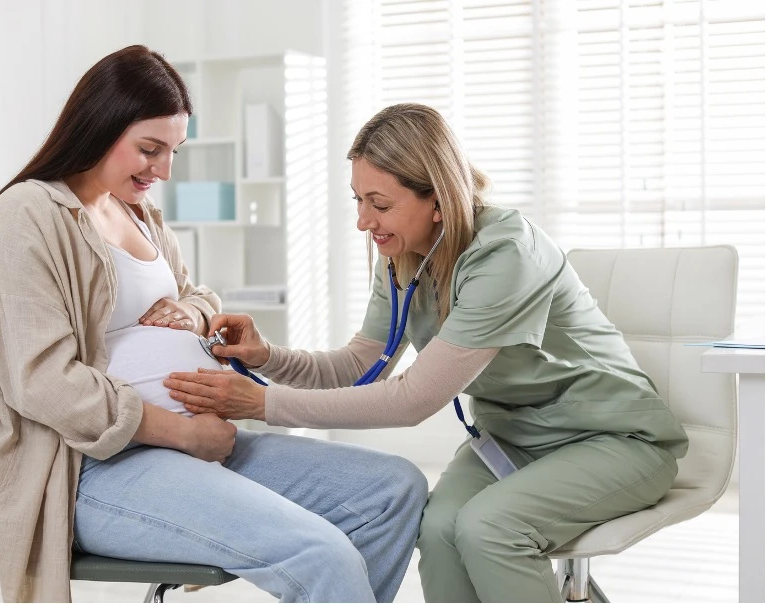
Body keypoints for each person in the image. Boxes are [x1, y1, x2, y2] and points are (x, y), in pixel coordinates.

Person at [165, 103, 689, 603]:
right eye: (358, 200)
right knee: (437, 529)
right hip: (515, 440)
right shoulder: (401, 259)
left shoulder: (506, 255)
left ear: (438, 199)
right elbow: (360, 366)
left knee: (490, 529)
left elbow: (413, 400)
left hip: (614, 442)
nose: (364, 223)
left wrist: (261, 404)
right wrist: (265, 358)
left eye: (381, 204)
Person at [0, 46, 427, 603]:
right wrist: (183, 432)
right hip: (93, 470)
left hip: (196, 448)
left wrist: (196, 312)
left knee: (394, 489)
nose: (164, 171)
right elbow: (41, 381)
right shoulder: (27, 216)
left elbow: (193, 295)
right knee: (321, 555)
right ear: (98, 127)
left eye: (174, 151)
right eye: (150, 149)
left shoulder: (139, 215)